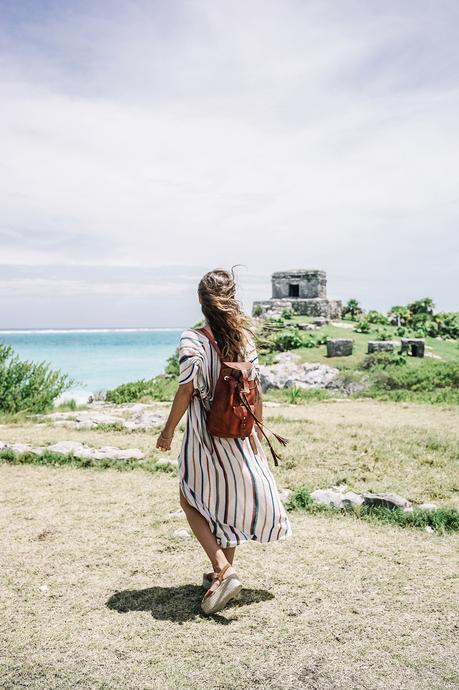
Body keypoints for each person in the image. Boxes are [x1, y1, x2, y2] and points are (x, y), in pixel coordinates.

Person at [156, 268, 292, 614]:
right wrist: (257, 430)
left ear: (202, 302)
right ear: (232, 299)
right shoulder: (245, 340)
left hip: (206, 433)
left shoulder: (192, 339)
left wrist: (168, 430)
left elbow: (186, 388)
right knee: (227, 501)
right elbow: (256, 389)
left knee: (189, 498)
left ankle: (223, 569)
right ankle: (220, 576)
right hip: (240, 431)